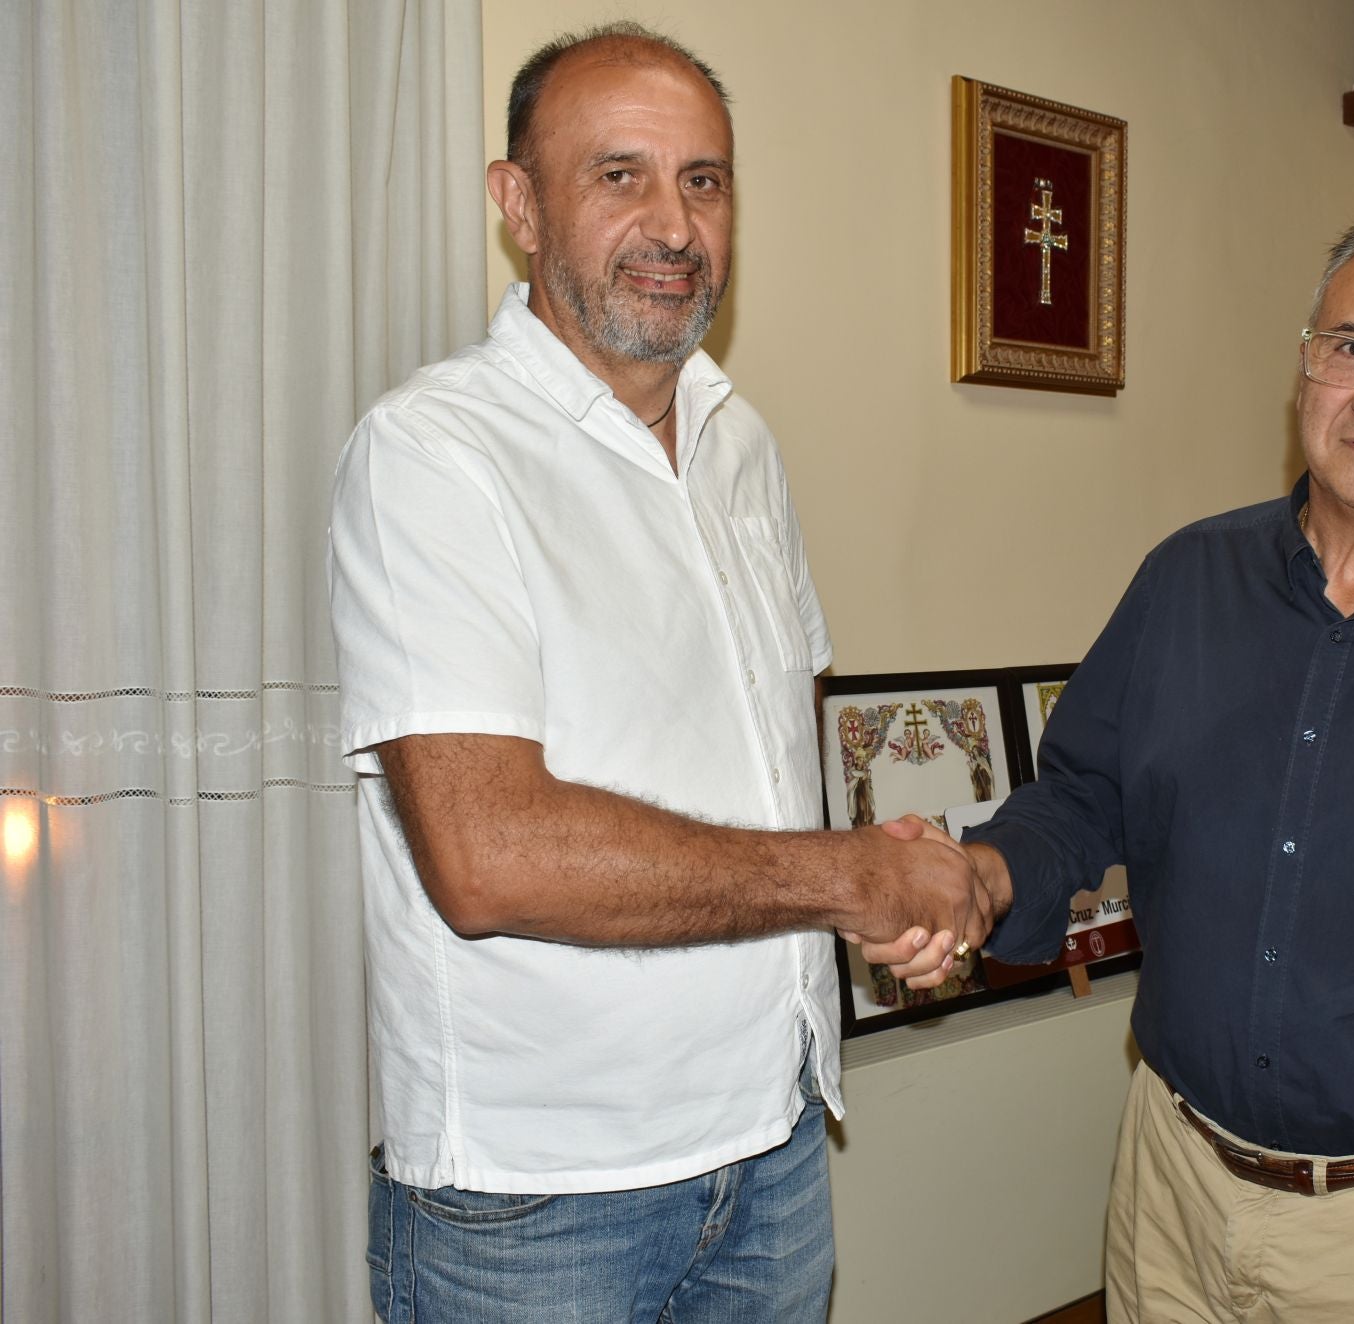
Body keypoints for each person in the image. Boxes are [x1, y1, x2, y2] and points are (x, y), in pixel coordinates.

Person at [872, 206, 1354, 1321]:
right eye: (1350, 346)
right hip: (1173, 1189)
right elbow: (1085, 793)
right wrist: (981, 874)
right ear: (1304, 367)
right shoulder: (1187, 578)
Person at [328, 23, 985, 1321]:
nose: (673, 224)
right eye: (618, 174)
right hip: (539, 1209)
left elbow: (773, 763)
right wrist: (849, 880)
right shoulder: (432, 457)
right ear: (518, 204)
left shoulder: (746, 449)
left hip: (775, 1156)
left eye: (705, 179)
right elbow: (487, 855)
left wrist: (898, 903)